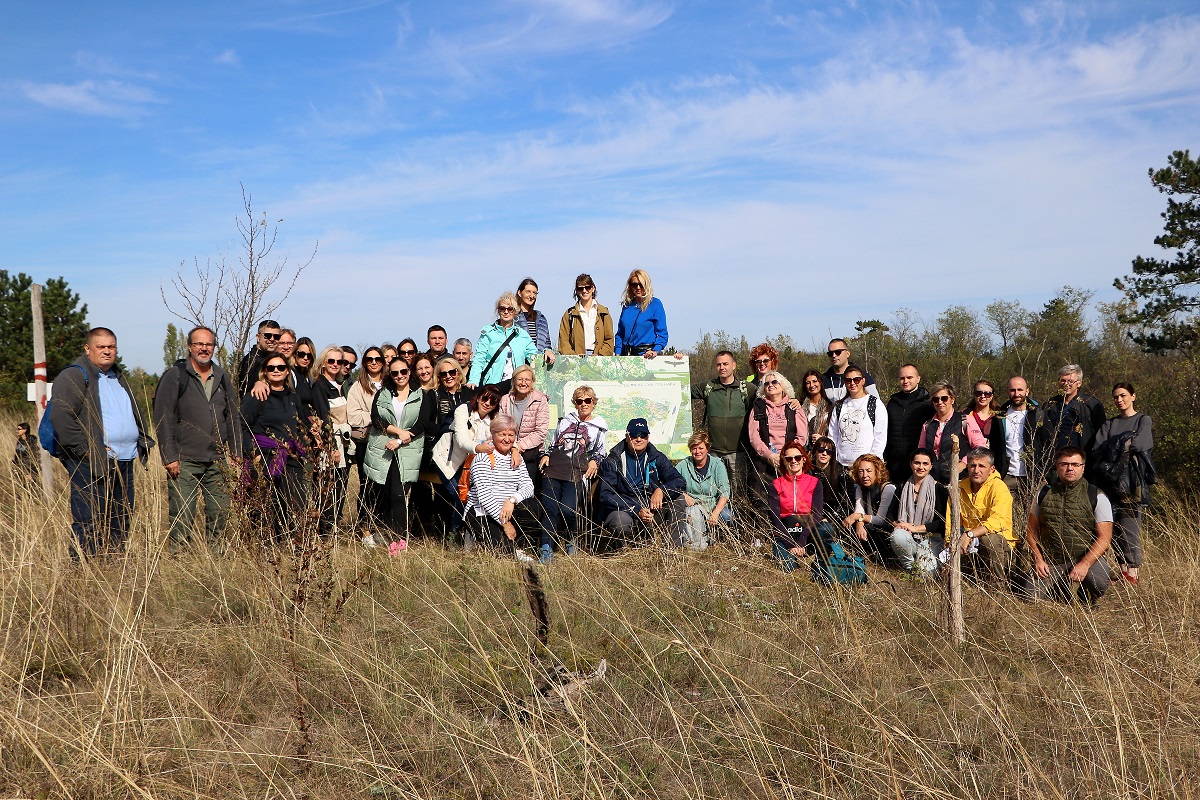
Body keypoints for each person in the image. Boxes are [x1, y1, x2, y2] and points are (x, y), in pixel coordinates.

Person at [51, 327, 155, 557]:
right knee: (88, 519)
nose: (107, 351)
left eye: (111, 347)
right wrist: (86, 450)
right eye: (101, 347)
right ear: (88, 349)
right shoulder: (74, 376)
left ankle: (114, 566)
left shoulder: (118, 376)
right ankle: (83, 569)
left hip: (124, 459)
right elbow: (60, 417)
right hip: (91, 461)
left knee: (120, 517)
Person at [153, 325, 240, 551]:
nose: (204, 348)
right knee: (182, 514)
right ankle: (180, 559)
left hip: (217, 460)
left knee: (220, 511)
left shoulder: (221, 376)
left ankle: (216, 557)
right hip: (185, 460)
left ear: (214, 347)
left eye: (208, 344)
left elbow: (232, 416)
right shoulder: (176, 376)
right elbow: (163, 417)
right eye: (199, 344)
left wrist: (236, 453)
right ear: (189, 346)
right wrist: (169, 456)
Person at [1025, 446, 1114, 606]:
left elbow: (1105, 539)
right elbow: (1031, 531)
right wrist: (1038, 559)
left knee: (1098, 582)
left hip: (1085, 558)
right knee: (1030, 597)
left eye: (1075, 464)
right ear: (1057, 467)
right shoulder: (1043, 493)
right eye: (1064, 464)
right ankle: (1060, 587)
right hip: (1052, 560)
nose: (1070, 468)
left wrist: (1085, 564)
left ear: (1083, 468)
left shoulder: (1096, 496)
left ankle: (1085, 596)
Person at [363, 357, 435, 544]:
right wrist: (397, 432)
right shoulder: (383, 394)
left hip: (408, 449)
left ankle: (399, 539)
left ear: (409, 371)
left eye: (403, 371)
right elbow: (376, 418)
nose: (400, 376)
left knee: (399, 494)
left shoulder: (420, 395)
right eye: (395, 372)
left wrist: (401, 439)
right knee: (385, 494)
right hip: (385, 448)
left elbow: (423, 422)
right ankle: (387, 535)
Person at [240, 354, 306, 545]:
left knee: (296, 503)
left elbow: (301, 425)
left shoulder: (293, 397)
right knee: (268, 504)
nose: (276, 370)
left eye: (280, 367)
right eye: (271, 368)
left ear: (287, 371)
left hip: (291, 458)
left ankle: (293, 545)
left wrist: (304, 446)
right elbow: (242, 425)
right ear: (264, 372)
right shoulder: (257, 396)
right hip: (264, 457)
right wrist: (251, 452)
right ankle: (266, 545)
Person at [1092, 382, 1153, 584]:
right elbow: (1098, 448)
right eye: (1116, 397)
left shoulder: (1143, 419)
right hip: (1109, 481)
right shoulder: (1109, 424)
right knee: (1113, 526)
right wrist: (1124, 441)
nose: (1119, 400)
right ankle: (1123, 570)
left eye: (1123, 395)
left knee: (1130, 526)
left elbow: (1141, 443)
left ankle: (1133, 573)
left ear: (1133, 396)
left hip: (1133, 481)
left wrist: (1115, 444)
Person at [539, 385, 608, 561]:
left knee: (568, 510)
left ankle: (573, 539)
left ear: (594, 403)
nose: (584, 404)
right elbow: (553, 443)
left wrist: (595, 461)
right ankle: (546, 548)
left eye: (587, 400)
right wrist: (546, 455)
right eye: (579, 401)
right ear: (575, 403)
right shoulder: (564, 421)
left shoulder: (599, 427)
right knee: (550, 508)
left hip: (577, 473)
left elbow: (601, 451)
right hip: (554, 469)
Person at [597, 418, 687, 546]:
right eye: (634, 435)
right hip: (624, 509)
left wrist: (661, 490)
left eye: (643, 435)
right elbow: (605, 495)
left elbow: (679, 481)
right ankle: (625, 550)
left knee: (679, 499)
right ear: (627, 437)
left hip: (650, 507)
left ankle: (673, 548)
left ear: (648, 437)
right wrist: (636, 509)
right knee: (620, 522)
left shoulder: (656, 457)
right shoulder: (613, 460)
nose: (639, 439)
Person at [466, 415, 545, 557]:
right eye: (502, 434)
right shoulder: (482, 458)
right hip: (483, 512)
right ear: (493, 434)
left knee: (532, 505)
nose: (507, 439)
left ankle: (521, 544)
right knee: (503, 553)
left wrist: (512, 500)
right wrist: (505, 524)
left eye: (511, 435)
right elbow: (484, 496)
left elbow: (528, 486)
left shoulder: (516, 459)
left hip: (508, 509)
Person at [691, 350, 754, 498]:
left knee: (739, 493)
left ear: (734, 365)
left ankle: (738, 514)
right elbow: (681, 389)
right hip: (714, 452)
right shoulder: (708, 387)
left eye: (725, 364)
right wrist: (677, 362)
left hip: (738, 452)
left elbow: (770, 396)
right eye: (719, 364)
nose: (722, 367)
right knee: (714, 491)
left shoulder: (747, 388)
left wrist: (792, 398)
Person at [1031, 364, 1107, 479]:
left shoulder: (1091, 404)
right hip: (1056, 463)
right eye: (1063, 380)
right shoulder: (1050, 405)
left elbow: (1102, 434)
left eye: (1070, 381)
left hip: (1083, 463)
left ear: (1079, 383)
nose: (1066, 384)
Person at [953, 447, 1016, 585]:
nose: (976, 470)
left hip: (999, 549)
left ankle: (998, 586)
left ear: (992, 469)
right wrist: (950, 546)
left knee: (989, 539)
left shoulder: (999, 488)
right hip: (970, 546)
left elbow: (997, 522)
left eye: (982, 466)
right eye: (972, 466)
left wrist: (970, 534)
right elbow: (951, 522)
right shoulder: (959, 488)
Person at [886, 448, 948, 574]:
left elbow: (942, 522)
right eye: (917, 463)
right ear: (911, 464)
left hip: (931, 538)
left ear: (931, 466)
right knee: (897, 536)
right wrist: (900, 526)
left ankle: (920, 565)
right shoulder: (902, 486)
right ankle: (910, 568)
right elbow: (889, 515)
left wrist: (915, 528)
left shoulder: (939, 489)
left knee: (926, 574)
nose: (921, 467)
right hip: (907, 534)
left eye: (925, 464)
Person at [310, 345, 350, 536]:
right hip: (330, 443)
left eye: (339, 361)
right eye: (331, 361)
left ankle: (331, 525)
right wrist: (331, 447)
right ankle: (323, 530)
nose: (335, 364)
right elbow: (324, 417)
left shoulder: (339, 385)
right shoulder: (320, 385)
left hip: (343, 441)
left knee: (339, 486)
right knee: (328, 486)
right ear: (323, 363)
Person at [748, 370, 807, 497]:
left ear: (783, 386)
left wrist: (787, 455)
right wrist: (769, 456)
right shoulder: (757, 408)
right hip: (764, 462)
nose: (770, 385)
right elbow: (754, 437)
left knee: (789, 499)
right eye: (766, 383)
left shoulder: (794, 407)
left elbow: (802, 437)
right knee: (764, 500)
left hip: (790, 462)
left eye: (774, 382)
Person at [766, 440, 823, 572]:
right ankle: (791, 556)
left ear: (804, 459)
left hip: (808, 531)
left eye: (797, 457)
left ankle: (819, 561)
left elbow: (816, 514)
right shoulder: (775, 485)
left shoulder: (815, 483)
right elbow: (775, 518)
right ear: (784, 461)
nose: (793, 461)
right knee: (787, 567)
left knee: (825, 530)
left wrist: (802, 540)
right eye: (789, 458)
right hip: (785, 531)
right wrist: (790, 544)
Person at [347, 346, 386, 537]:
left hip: (386, 442)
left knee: (384, 486)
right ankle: (365, 529)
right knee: (367, 485)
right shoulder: (358, 386)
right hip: (366, 441)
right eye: (370, 359)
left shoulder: (390, 383)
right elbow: (353, 416)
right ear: (364, 363)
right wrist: (377, 418)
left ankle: (382, 525)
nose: (374, 362)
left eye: (378, 359)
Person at [470, 291, 539, 389]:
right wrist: (473, 380)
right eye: (502, 308)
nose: (506, 312)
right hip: (493, 387)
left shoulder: (522, 335)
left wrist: (547, 352)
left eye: (510, 309)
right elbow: (479, 359)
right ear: (498, 311)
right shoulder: (488, 333)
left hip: (516, 388)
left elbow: (535, 358)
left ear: (515, 312)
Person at [678, 431, 733, 551]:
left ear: (707, 448)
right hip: (692, 508)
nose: (697, 451)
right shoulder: (683, 465)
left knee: (727, 515)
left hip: (713, 506)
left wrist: (716, 512)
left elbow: (725, 491)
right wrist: (684, 495)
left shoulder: (717, 464)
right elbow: (672, 483)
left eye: (700, 448)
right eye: (694, 448)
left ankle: (720, 540)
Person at [829, 364, 888, 473]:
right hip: (842, 466)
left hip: (868, 468)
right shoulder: (839, 406)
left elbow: (880, 437)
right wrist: (835, 459)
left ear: (863, 381)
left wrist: (871, 462)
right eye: (848, 380)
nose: (852, 383)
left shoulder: (875, 404)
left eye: (856, 379)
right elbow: (833, 435)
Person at [999, 376, 1039, 532]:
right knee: (1008, 520)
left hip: (1032, 477)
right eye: (1013, 390)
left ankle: (1028, 548)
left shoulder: (1038, 414)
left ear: (1027, 391)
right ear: (1007, 392)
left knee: (1032, 522)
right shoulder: (1001, 415)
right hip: (1007, 476)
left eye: (1020, 389)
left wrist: (1043, 471)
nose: (1016, 394)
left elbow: (1048, 443)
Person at [884, 364, 933, 485]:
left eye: (909, 377)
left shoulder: (927, 403)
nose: (905, 381)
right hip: (894, 462)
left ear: (918, 379)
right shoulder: (893, 403)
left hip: (918, 462)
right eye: (902, 378)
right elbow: (887, 431)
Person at [499, 365, 549, 484]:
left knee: (526, 489)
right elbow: (500, 426)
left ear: (532, 382)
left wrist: (517, 447)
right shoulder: (505, 399)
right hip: (506, 449)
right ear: (513, 381)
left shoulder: (540, 400)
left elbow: (540, 432)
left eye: (527, 380)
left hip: (529, 452)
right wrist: (511, 447)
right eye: (520, 379)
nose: (523, 383)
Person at [844, 454, 896, 562]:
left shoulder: (888, 489)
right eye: (861, 471)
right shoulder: (859, 488)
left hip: (884, 532)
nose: (864, 475)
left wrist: (857, 517)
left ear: (877, 471)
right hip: (869, 526)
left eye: (869, 471)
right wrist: (859, 523)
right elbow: (859, 510)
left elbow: (881, 520)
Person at [919, 380, 966, 485]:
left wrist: (963, 464)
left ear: (952, 399)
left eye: (944, 398)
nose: (940, 402)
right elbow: (921, 451)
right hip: (933, 481)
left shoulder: (964, 420)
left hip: (960, 480)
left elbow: (979, 447)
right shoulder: (927, 425)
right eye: (935, 399)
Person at [613, 269, 667, 357]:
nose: (638, 288)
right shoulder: (627, 306)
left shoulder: (655, 304)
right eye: (634, 284)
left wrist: (655, 351)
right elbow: (620, 333)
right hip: (626, 356)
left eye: (641, 284)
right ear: (630, 286)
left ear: (646, 285)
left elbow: (662, 334)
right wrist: (617, 353)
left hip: (646, 355)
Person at [558, 273, 614, 355]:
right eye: (580, 288)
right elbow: (563, 341)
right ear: (577, 291)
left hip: (599, 358)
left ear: (593, 288)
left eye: (587, 287)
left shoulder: (604, 312)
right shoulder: (569, 314)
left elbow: (609, 339)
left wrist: (600, 356)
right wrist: (574, 357)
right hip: (576, 359)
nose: (584, 291)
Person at [962, 379, 1009, 475]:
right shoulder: (963, 415)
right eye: (979, 393)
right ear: (974, 395)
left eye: (987, 393)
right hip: (968, 467)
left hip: (992, 467)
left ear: (992, 396)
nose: (983, 396)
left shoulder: (1000, 417)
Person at [822, 338, 879, 403]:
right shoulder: (823, 380)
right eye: (830, 353)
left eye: (838, 352)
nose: (834, 355)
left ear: (847, 354)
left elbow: (876, 402)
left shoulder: (862, 376)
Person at [516, 277, 556, 366]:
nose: (531, 296)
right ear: (520, 293)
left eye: (534, 293)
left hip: (538, 365)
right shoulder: (513, 317)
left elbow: (547, 342)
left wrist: (548, 350)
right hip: (519, 366)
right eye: (528, 292)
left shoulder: (541, 318)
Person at [238, 319, 282, 396]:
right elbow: (246, 391)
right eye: (267, 336)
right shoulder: (251, 361)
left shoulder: (273, 359)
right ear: (258, 337)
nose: (272, 339)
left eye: (276, 336)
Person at [800, 369, 832, 444]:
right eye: (808, 383)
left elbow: (834, 432)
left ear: (820, 382)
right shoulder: (800, 406)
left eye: (814, 381)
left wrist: (823, 438)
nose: (811, 385)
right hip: (802, 447)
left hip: (822, 447)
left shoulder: (829, 407)